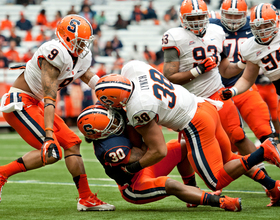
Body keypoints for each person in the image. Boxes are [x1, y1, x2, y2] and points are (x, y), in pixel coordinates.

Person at [95, 60, 280, 207]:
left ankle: (264, 151)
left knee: (216, 180)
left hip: (195, 123)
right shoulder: (132, 68)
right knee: (229, 158)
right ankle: (273, 187)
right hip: (204, 105)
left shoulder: (138, 109)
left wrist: (132, 168)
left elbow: (159, 151)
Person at [0, 14, 115, 211]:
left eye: (85, 43)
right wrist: (48, 135)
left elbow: (87, 76)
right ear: (67, 38)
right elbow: (50, 97)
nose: (83, 47)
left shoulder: (80, 55)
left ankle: (86, 198)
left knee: (72, 143)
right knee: (52, 152)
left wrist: (112, 89)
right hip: (21, 103)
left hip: (36, 104)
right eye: (79, 42)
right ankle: (1, 174)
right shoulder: (54, 52)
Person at [76, 104, 242, 211]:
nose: (117, 122)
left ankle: (193, 195)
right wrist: (133, 125)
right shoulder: (110, 149)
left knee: (183, 147)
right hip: (134, 186)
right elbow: (143, 153)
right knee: (170, 184)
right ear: (100, 134)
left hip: (145, 166)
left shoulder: (108, 130)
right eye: (112, 124)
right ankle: (219, 202)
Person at [161, 0, 260, 167]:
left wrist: (243, 63)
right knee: (188, 147)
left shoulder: (217, 31)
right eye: (192, 18)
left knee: (238, 135)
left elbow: (226, 71)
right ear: (182, 19)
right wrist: (198, 70)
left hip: (216, 92)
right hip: (189, 100)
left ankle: (266, 180)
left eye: (200, 16)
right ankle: (193, 184)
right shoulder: (174, 37)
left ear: (207, 16)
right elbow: (170, 76)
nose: (197, 21)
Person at [209, 0, 276, 157]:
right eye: (228, 15)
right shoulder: (211, 27)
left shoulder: (258, 25)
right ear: (221, 13)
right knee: (233, 139)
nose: (232, 19)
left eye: (237, 15)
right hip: (216, 88)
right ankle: (261, 174)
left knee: (265, 130)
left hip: (245, 85)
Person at [220, 3, 280, 109]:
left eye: (266, 26)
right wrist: (233, 91)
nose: (262, 30)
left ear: (277, 22)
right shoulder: (250, 47)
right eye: (258, 26)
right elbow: (247, 79)